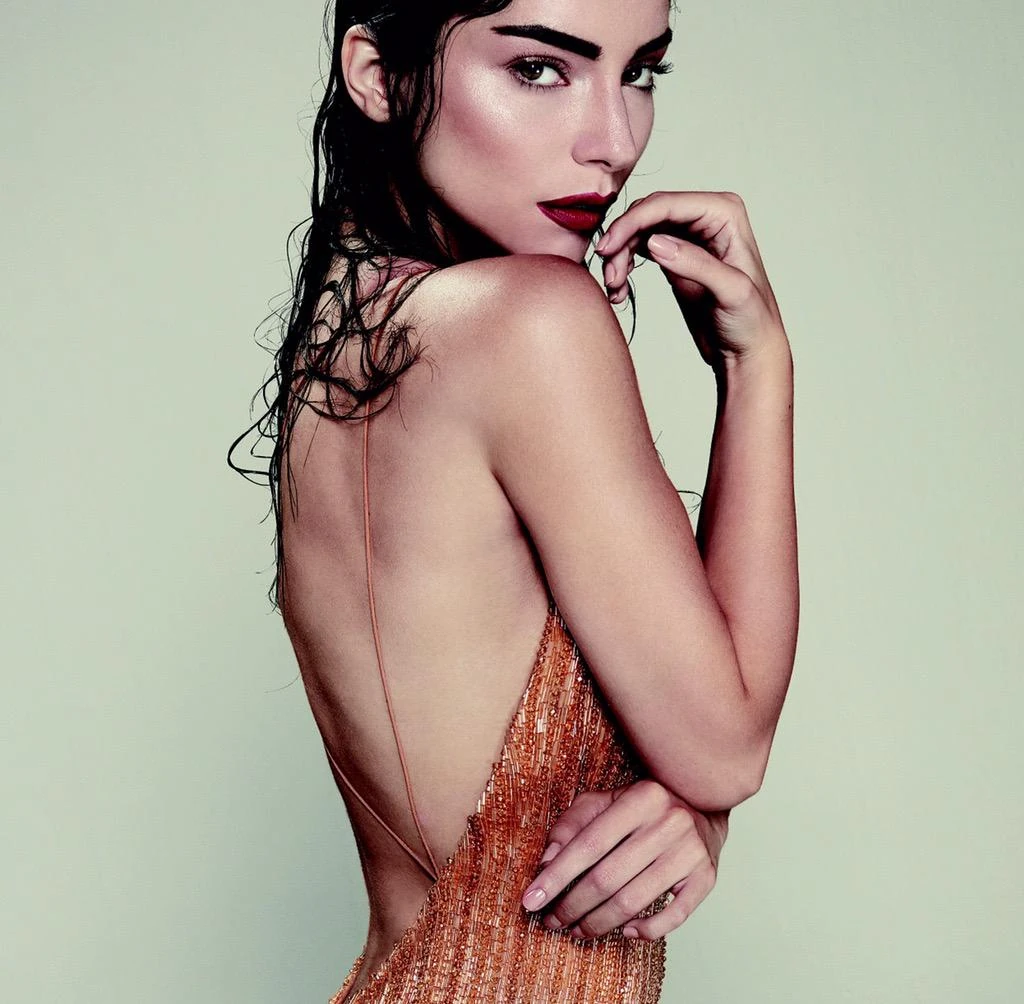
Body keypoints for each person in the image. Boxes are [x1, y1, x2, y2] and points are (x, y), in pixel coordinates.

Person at [228, 0, 798, 999]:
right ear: (378, 75)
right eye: (540, 68)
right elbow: (726, 744)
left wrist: (682, 807)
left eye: (640, 73)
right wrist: (758, 367)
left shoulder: (337, 355)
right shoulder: (533, 322)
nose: (612, 141)